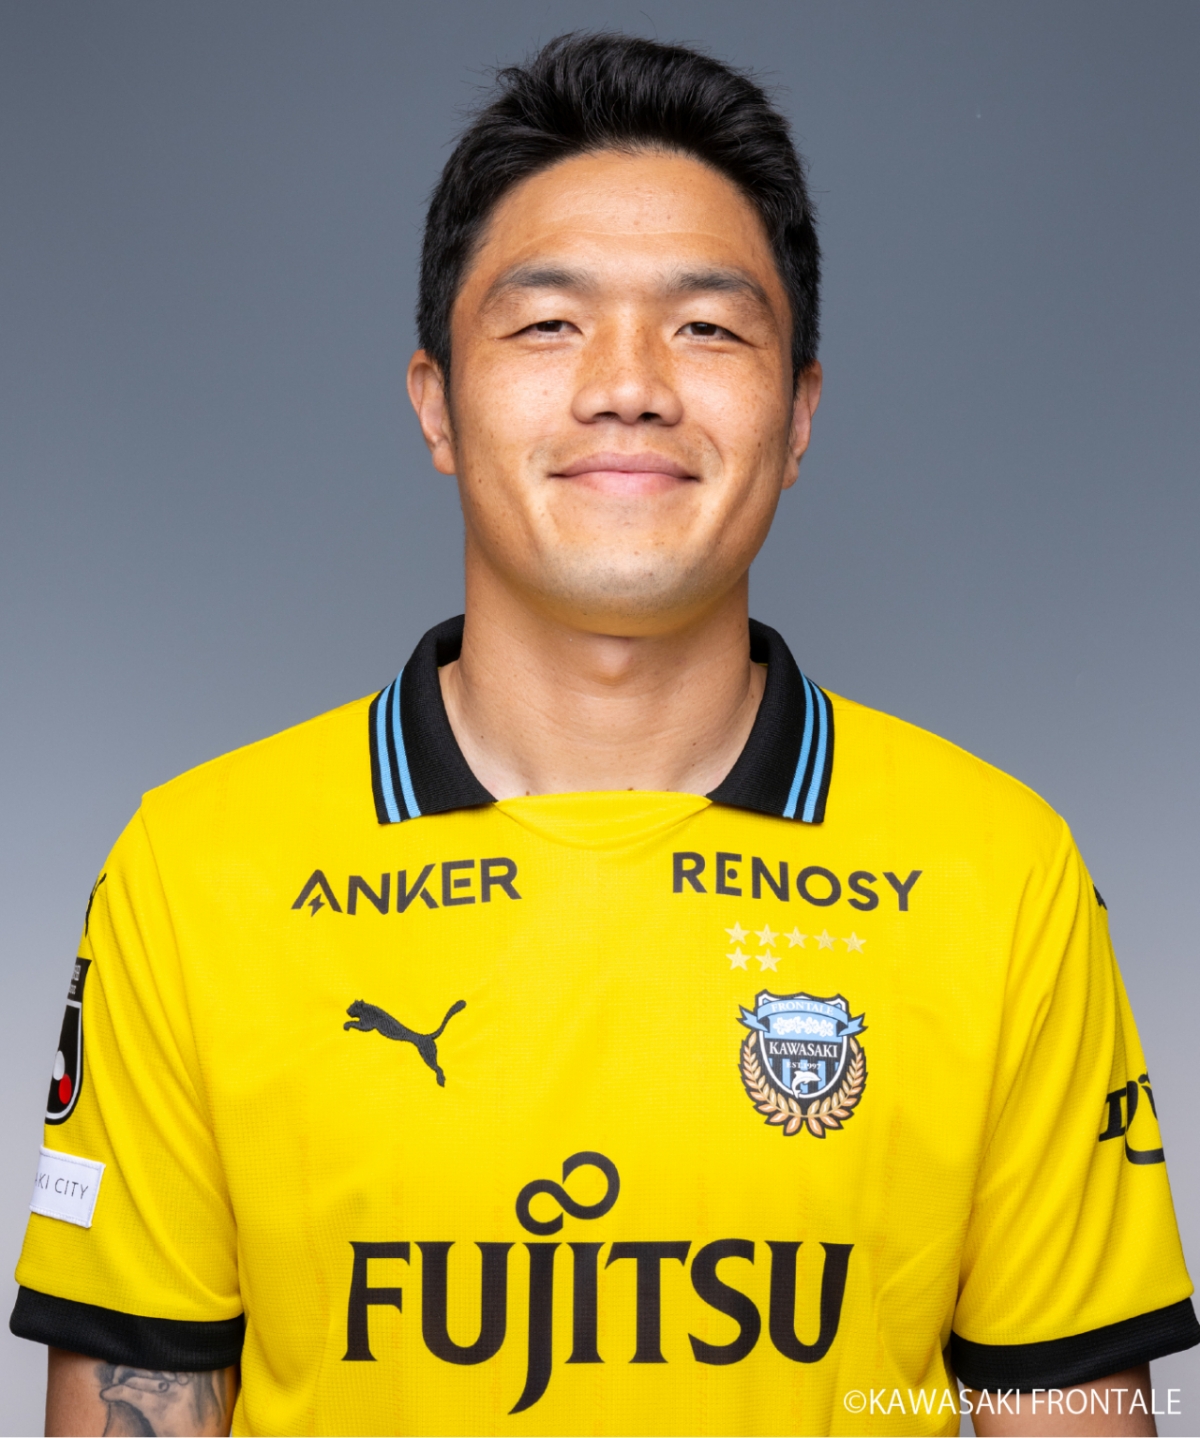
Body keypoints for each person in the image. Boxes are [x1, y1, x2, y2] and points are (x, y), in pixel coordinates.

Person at [11, 32, 1196, 1438]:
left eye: (707, 328)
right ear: (437, 404)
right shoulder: (197, 875)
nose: (628, 382)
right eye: (548, 324)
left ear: (799, 413)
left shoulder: (996, 876)